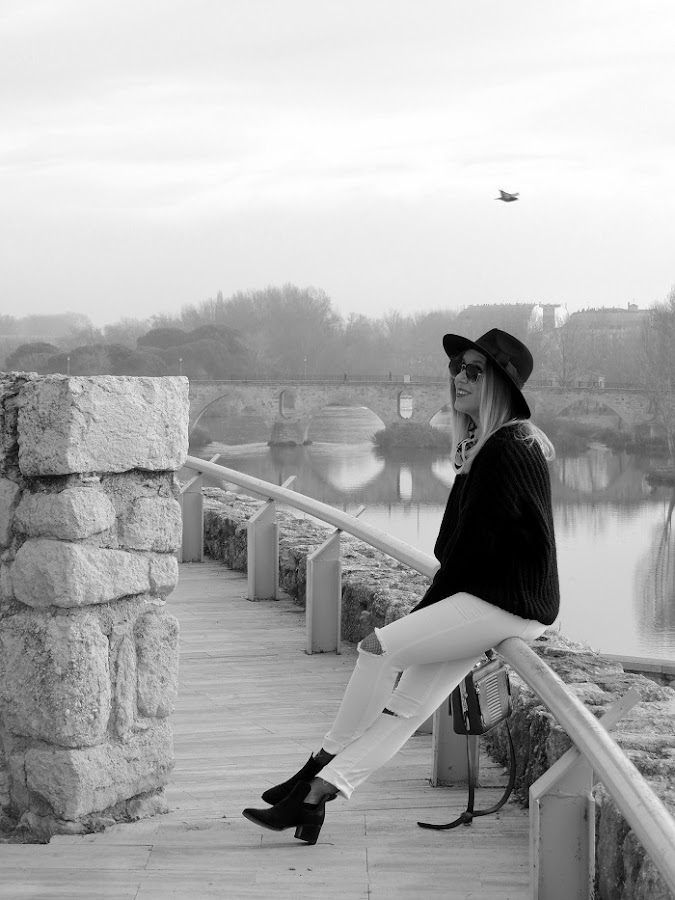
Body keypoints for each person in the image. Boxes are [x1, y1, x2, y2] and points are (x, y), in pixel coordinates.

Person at [242, 328, 560, 845]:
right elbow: (457, 547)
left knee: (377, 649)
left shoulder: (508, 449)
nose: (459, 377)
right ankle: (317, 795)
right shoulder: (486, 445)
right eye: (457, 367)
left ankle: (318, 763)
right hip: (493, 598)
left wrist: (420, 613)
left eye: (474, 370)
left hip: (506, 602)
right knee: (406, 707)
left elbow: (465, 555)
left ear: (499, 386)